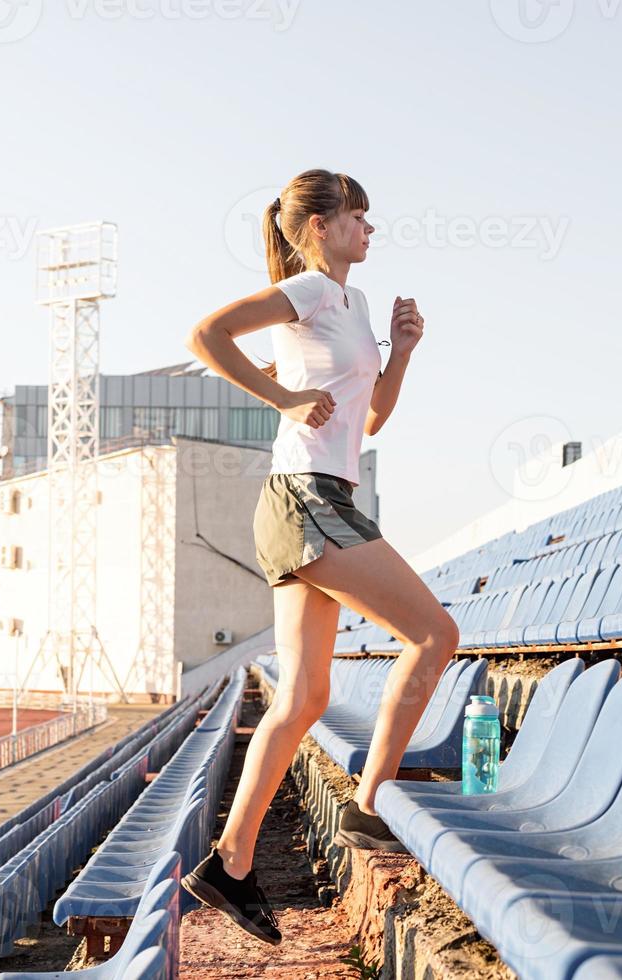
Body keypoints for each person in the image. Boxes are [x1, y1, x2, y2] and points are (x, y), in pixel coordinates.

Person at [177, 168, 459, 944]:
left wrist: (400, 349)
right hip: (304, 498)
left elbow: (372, 418)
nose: (369, 228)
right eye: (357, 216)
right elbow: (205, 336)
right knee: (435, 636)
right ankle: (371, 810)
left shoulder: (355, 304)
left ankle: (228, 866)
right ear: (318, 226)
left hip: (327, 494)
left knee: (302, 696)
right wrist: (286, 401)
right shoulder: (304, 290)